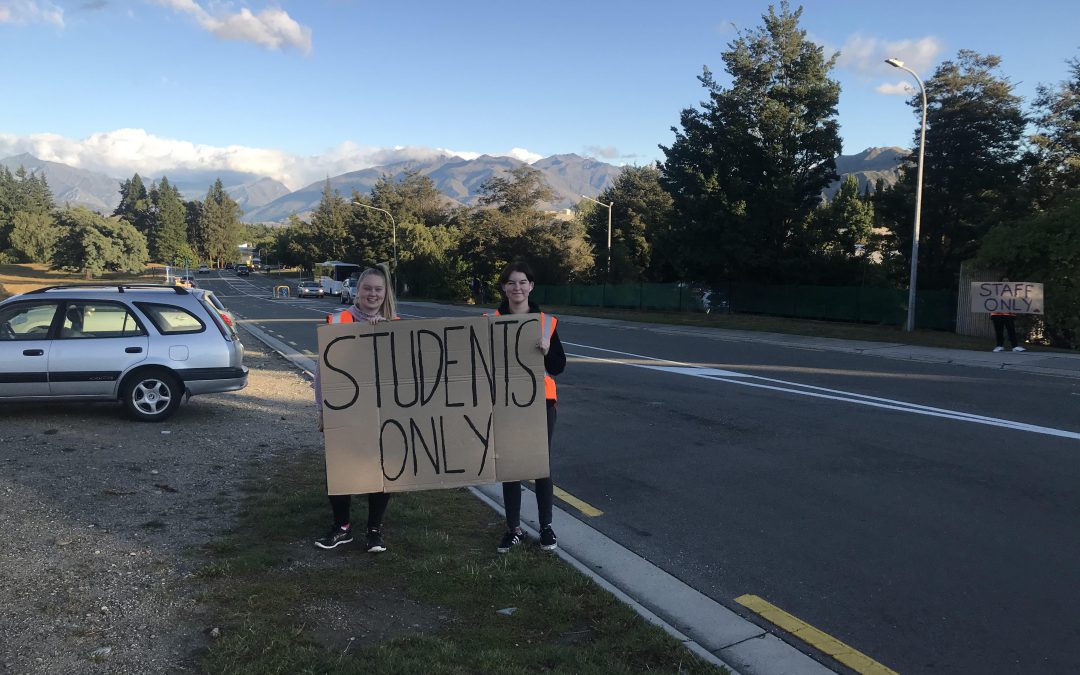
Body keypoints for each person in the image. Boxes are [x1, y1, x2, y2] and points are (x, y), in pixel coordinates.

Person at [313, 264, 398, 553]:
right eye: (367, 288)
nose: (372, 294)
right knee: (338, 468)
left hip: (383, 411)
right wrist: (323, 410)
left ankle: (374, 529)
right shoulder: (339, 321)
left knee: (383, 469)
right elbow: (322, 371)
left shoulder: (395, 324)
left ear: (385, 293)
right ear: (357, 291)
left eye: (378, 289)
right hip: (344, 410)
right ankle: (342, 527)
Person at [493, 261, 566, 553]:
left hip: (541, 403)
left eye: (522, 282)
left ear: (531, 286)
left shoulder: (547, 323)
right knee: (511, 465)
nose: (517, 288)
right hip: (506, 402)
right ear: (504, 287)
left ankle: (546, 527)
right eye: (511, 283)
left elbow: (558, 367)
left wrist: (547, 350)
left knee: (540, 465)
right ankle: (514, 529)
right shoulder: (491, 320)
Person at [990, 278, 1025, 353]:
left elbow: (1017, 302)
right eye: (1004, 280)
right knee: (999, 331)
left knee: (1011, 330)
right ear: (1001, 282)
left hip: (1009, 314)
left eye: (1007, 280)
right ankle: (999, 346)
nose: (1006, 282)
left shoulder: (1013, 291)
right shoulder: (995, 291)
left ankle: (1015, 346)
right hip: (997, 314)